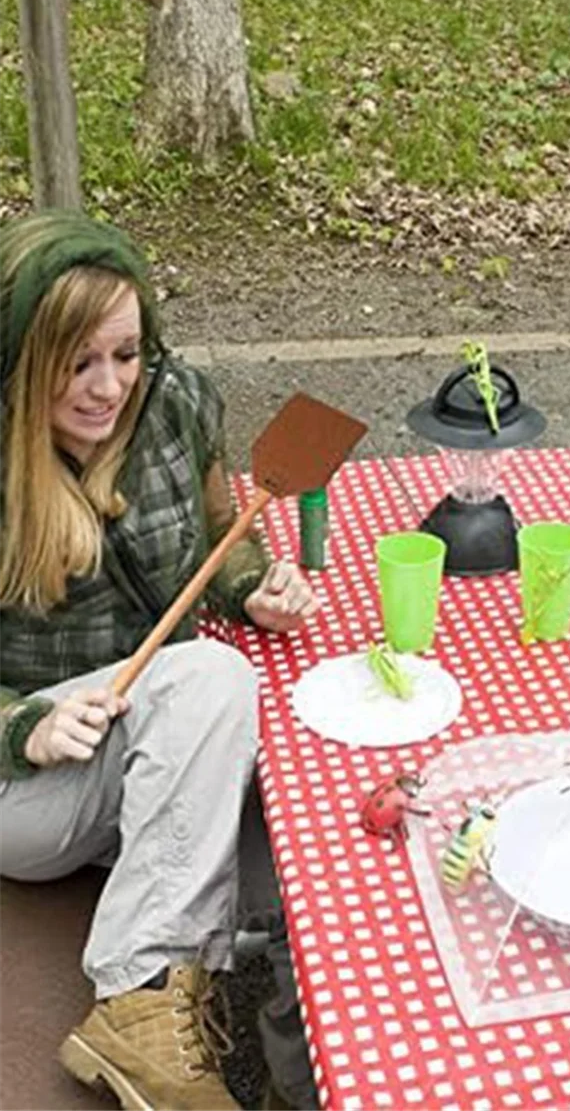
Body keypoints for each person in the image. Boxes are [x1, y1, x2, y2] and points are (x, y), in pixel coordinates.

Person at [0, 211, 319, 1110]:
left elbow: (226, 534)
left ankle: (306, 1078)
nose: (110, 388)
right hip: (27, 794)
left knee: (310, 850)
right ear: (25, 358)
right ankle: (138, 1006)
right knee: (216, 679)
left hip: (151, 749)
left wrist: (250, 587)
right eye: (78, 363)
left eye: (127, 353)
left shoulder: (175, 402)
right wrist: (25, 722)